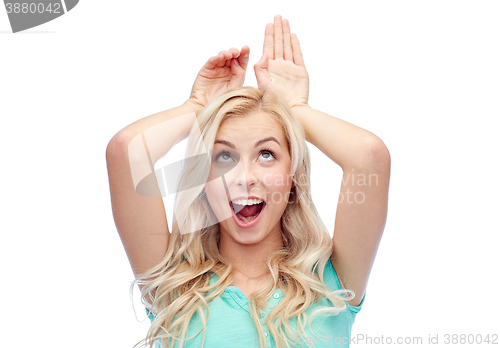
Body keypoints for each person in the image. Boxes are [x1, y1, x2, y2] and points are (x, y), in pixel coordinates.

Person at [106, 15, 390, 348]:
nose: (245, 177)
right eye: (224, 157)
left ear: (293, 176)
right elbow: (127, 152)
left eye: (266, 154)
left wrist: (294, 108)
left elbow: (369, 156)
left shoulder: (333, 281)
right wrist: (197, 107)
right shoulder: (174, 286)